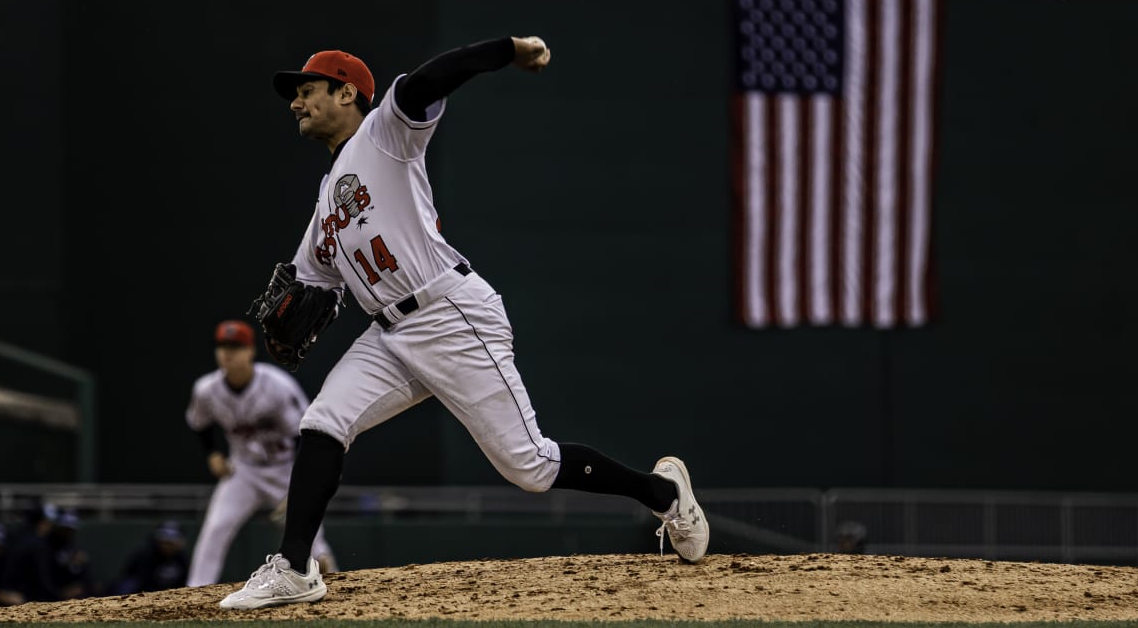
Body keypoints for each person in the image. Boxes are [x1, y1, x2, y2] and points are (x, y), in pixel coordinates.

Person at [216, 39, 709, 610]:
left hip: (449, 315)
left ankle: (664, 493)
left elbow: (428, 80)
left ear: (346, 91)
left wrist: (508, 50)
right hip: (391, 334)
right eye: (294, 96)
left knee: (531, 466)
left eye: (307, 90)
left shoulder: (383, 135)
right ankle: (296, 568)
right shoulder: (326, 197)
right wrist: (295, 306)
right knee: (324, 421)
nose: (296, 103)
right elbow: (308, 280)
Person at [185, 319, 335, 587]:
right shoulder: (206, 390)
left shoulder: (277, 386)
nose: (228, 352)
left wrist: (301, 484)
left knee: (314, 539)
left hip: (285, 468)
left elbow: (305, 433)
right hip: (243, 470)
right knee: (215, 528)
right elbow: (200, 424)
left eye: (235, 346)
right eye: (222, 346)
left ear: (250, 351)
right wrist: (213, 454)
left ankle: (334, 584)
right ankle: (193, 592)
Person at [2, 501, 60, 602]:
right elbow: (42, 580)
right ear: (41, 523)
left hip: (11, 592)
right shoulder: (36, 544)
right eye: (47, 522)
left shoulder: (18, 536)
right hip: (23, 598)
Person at [113, 520, 188, 594]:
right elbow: (137, 581)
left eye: (170, 542)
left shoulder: (182, 559)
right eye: (164, 541)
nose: (166, 545)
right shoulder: (144, 556)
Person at [47, 510, 93, 599]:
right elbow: (47, 575)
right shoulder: (47, 545)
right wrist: (60, 592)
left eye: (70, 530)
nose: (67, 533)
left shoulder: (69, 545)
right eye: (64, 530)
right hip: (53, 592)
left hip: (72, 589)